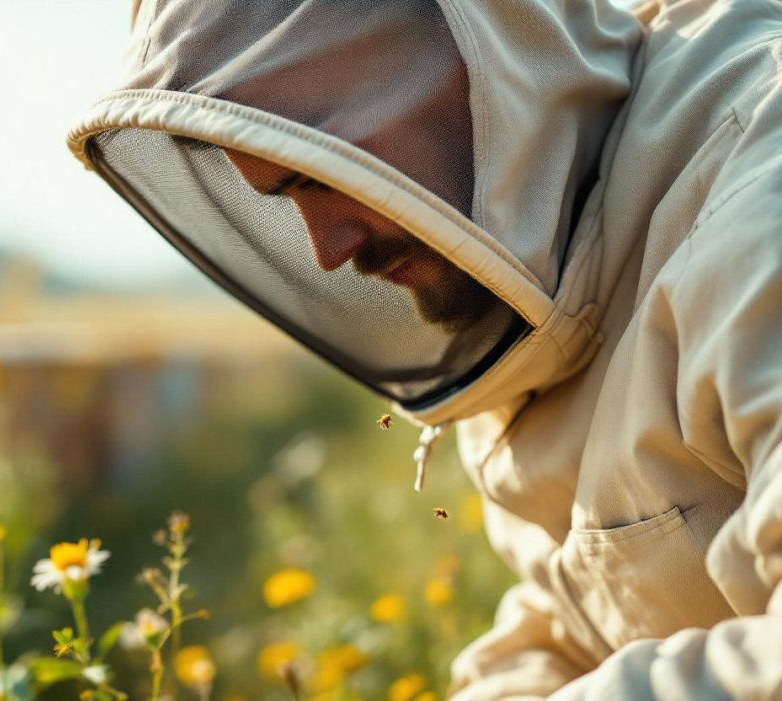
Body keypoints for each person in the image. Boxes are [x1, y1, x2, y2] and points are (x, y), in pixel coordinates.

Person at [68, 0, 782, 696]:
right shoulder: (536, 256)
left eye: (317, 170)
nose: (326, 251)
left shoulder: (758, 189)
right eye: (286, 195)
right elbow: (590, 607)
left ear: (476, 36)